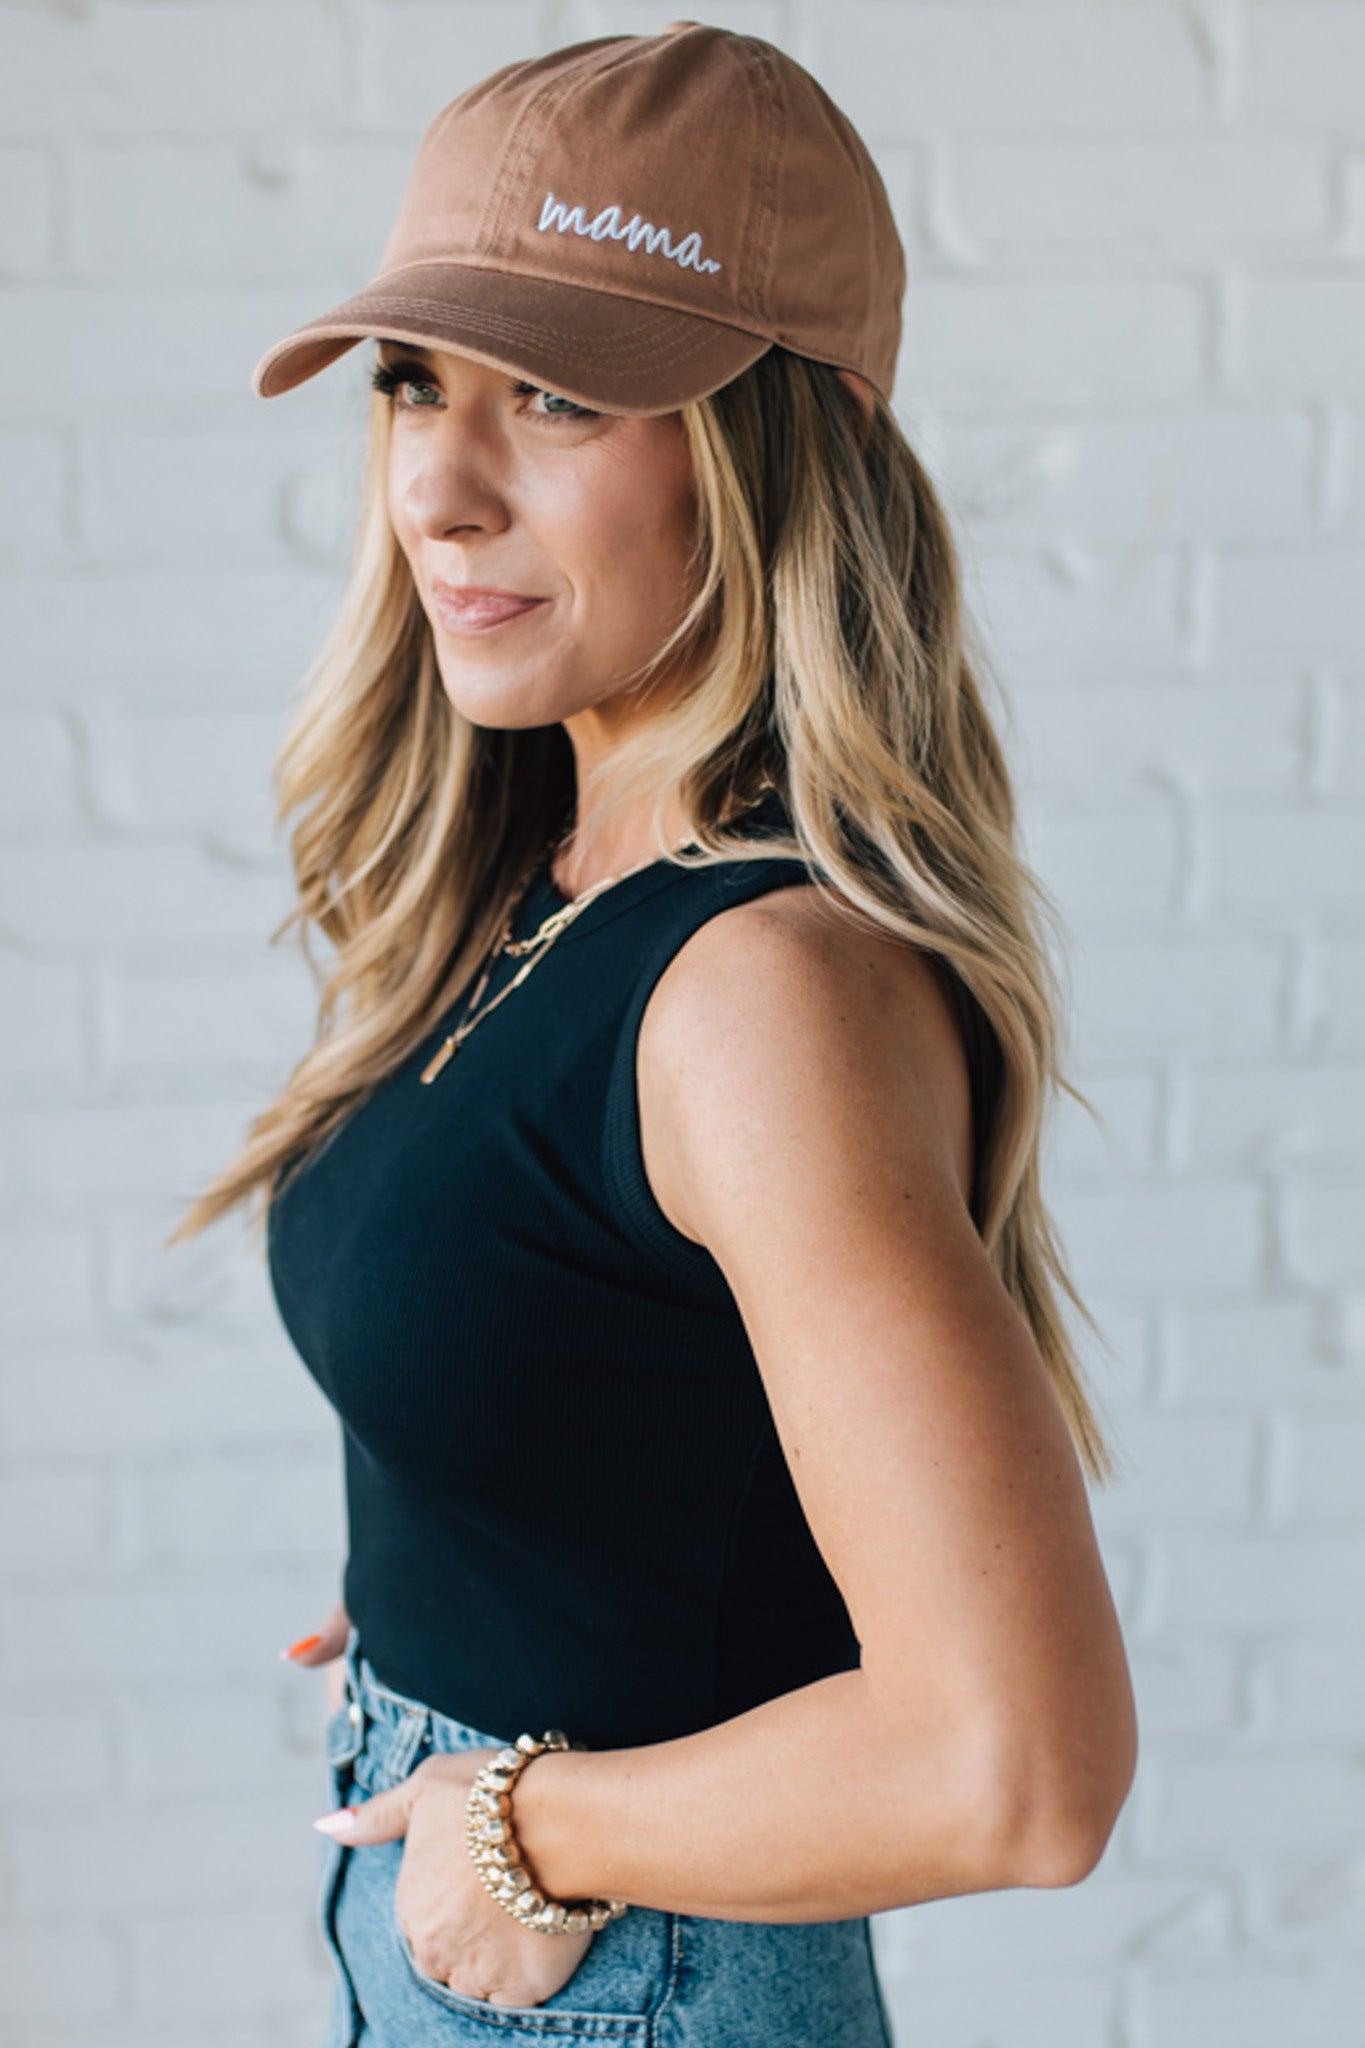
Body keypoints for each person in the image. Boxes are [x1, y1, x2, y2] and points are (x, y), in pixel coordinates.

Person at [168, 21, 1137, 2047]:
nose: (434, 481)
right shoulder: (562, 880)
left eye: (554, 391)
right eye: (412, 383)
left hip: (620, 1975)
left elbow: (1019, 1764)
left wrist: (533, 1821)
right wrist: (496, 1504)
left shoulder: (757, 988)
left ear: (772, 446)